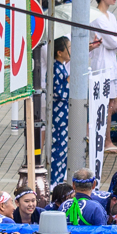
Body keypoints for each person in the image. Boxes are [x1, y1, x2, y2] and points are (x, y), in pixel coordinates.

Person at [90, 0, 117, 155]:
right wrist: (116, 43)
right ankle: (104, 140)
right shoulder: (96, 16)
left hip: (112, 64)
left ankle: (95, 132)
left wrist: (116, 43)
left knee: (116, 103)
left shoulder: (111, 16)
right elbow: (112, 41)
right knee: (106, 103)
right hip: (101, 64)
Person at [50, 37, 70, 185]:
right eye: (68, 48)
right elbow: (59, 92)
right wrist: (68, 82)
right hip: (59, 115)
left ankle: (58, 179)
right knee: (58, 148)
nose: (71, 51)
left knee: (63, 149)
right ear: (59, 52)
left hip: (63, 115)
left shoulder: (61, 66)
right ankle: (54, 181)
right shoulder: (55, 68)